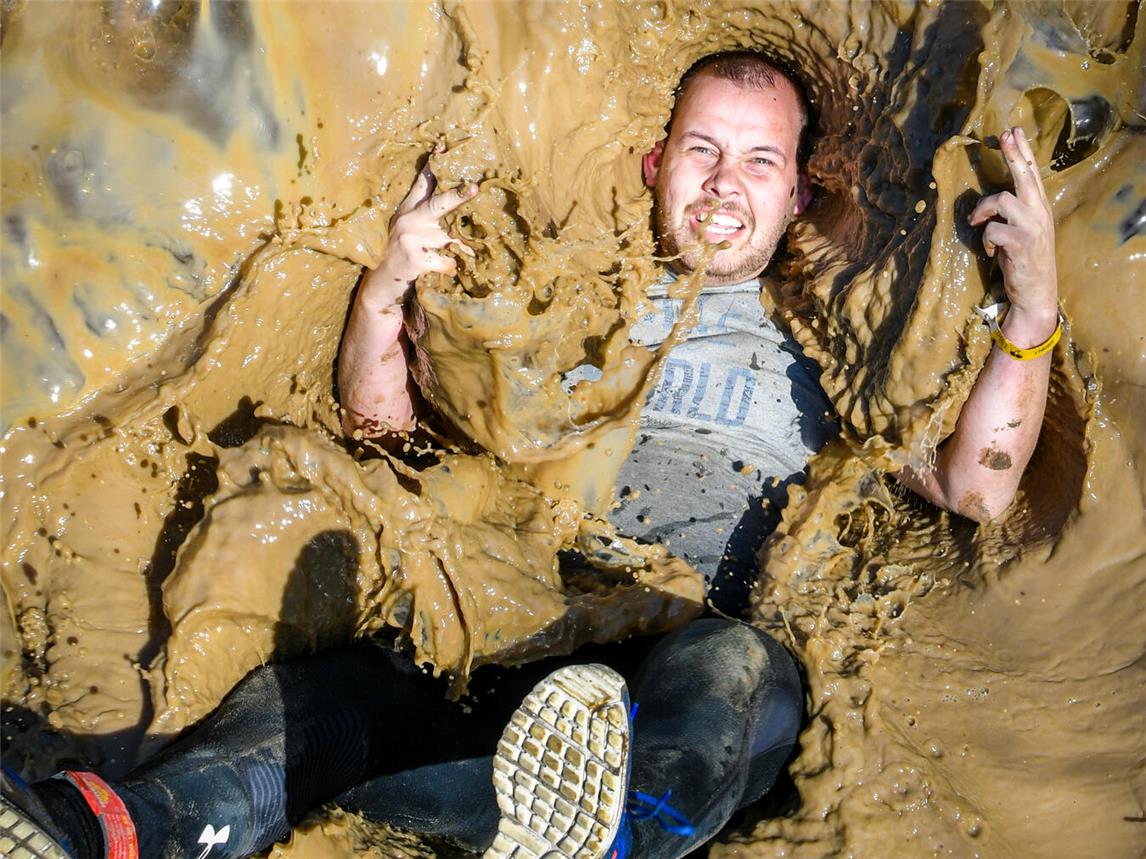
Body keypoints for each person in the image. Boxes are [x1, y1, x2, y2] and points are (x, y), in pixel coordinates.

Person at [1, 51, 1059, 859]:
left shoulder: (830, 346)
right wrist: (385, 291)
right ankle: (103, 829)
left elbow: (975, 483)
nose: (722, 183)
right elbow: (390, 432)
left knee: (730, 669)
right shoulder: (574, 303)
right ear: (654, 165)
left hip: (688, 675)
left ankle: (599, 837)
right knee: (332, 692)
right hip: (518, 637)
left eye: (758, 160)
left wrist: (1035, 307)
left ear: (798, 195)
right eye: (700, 150)